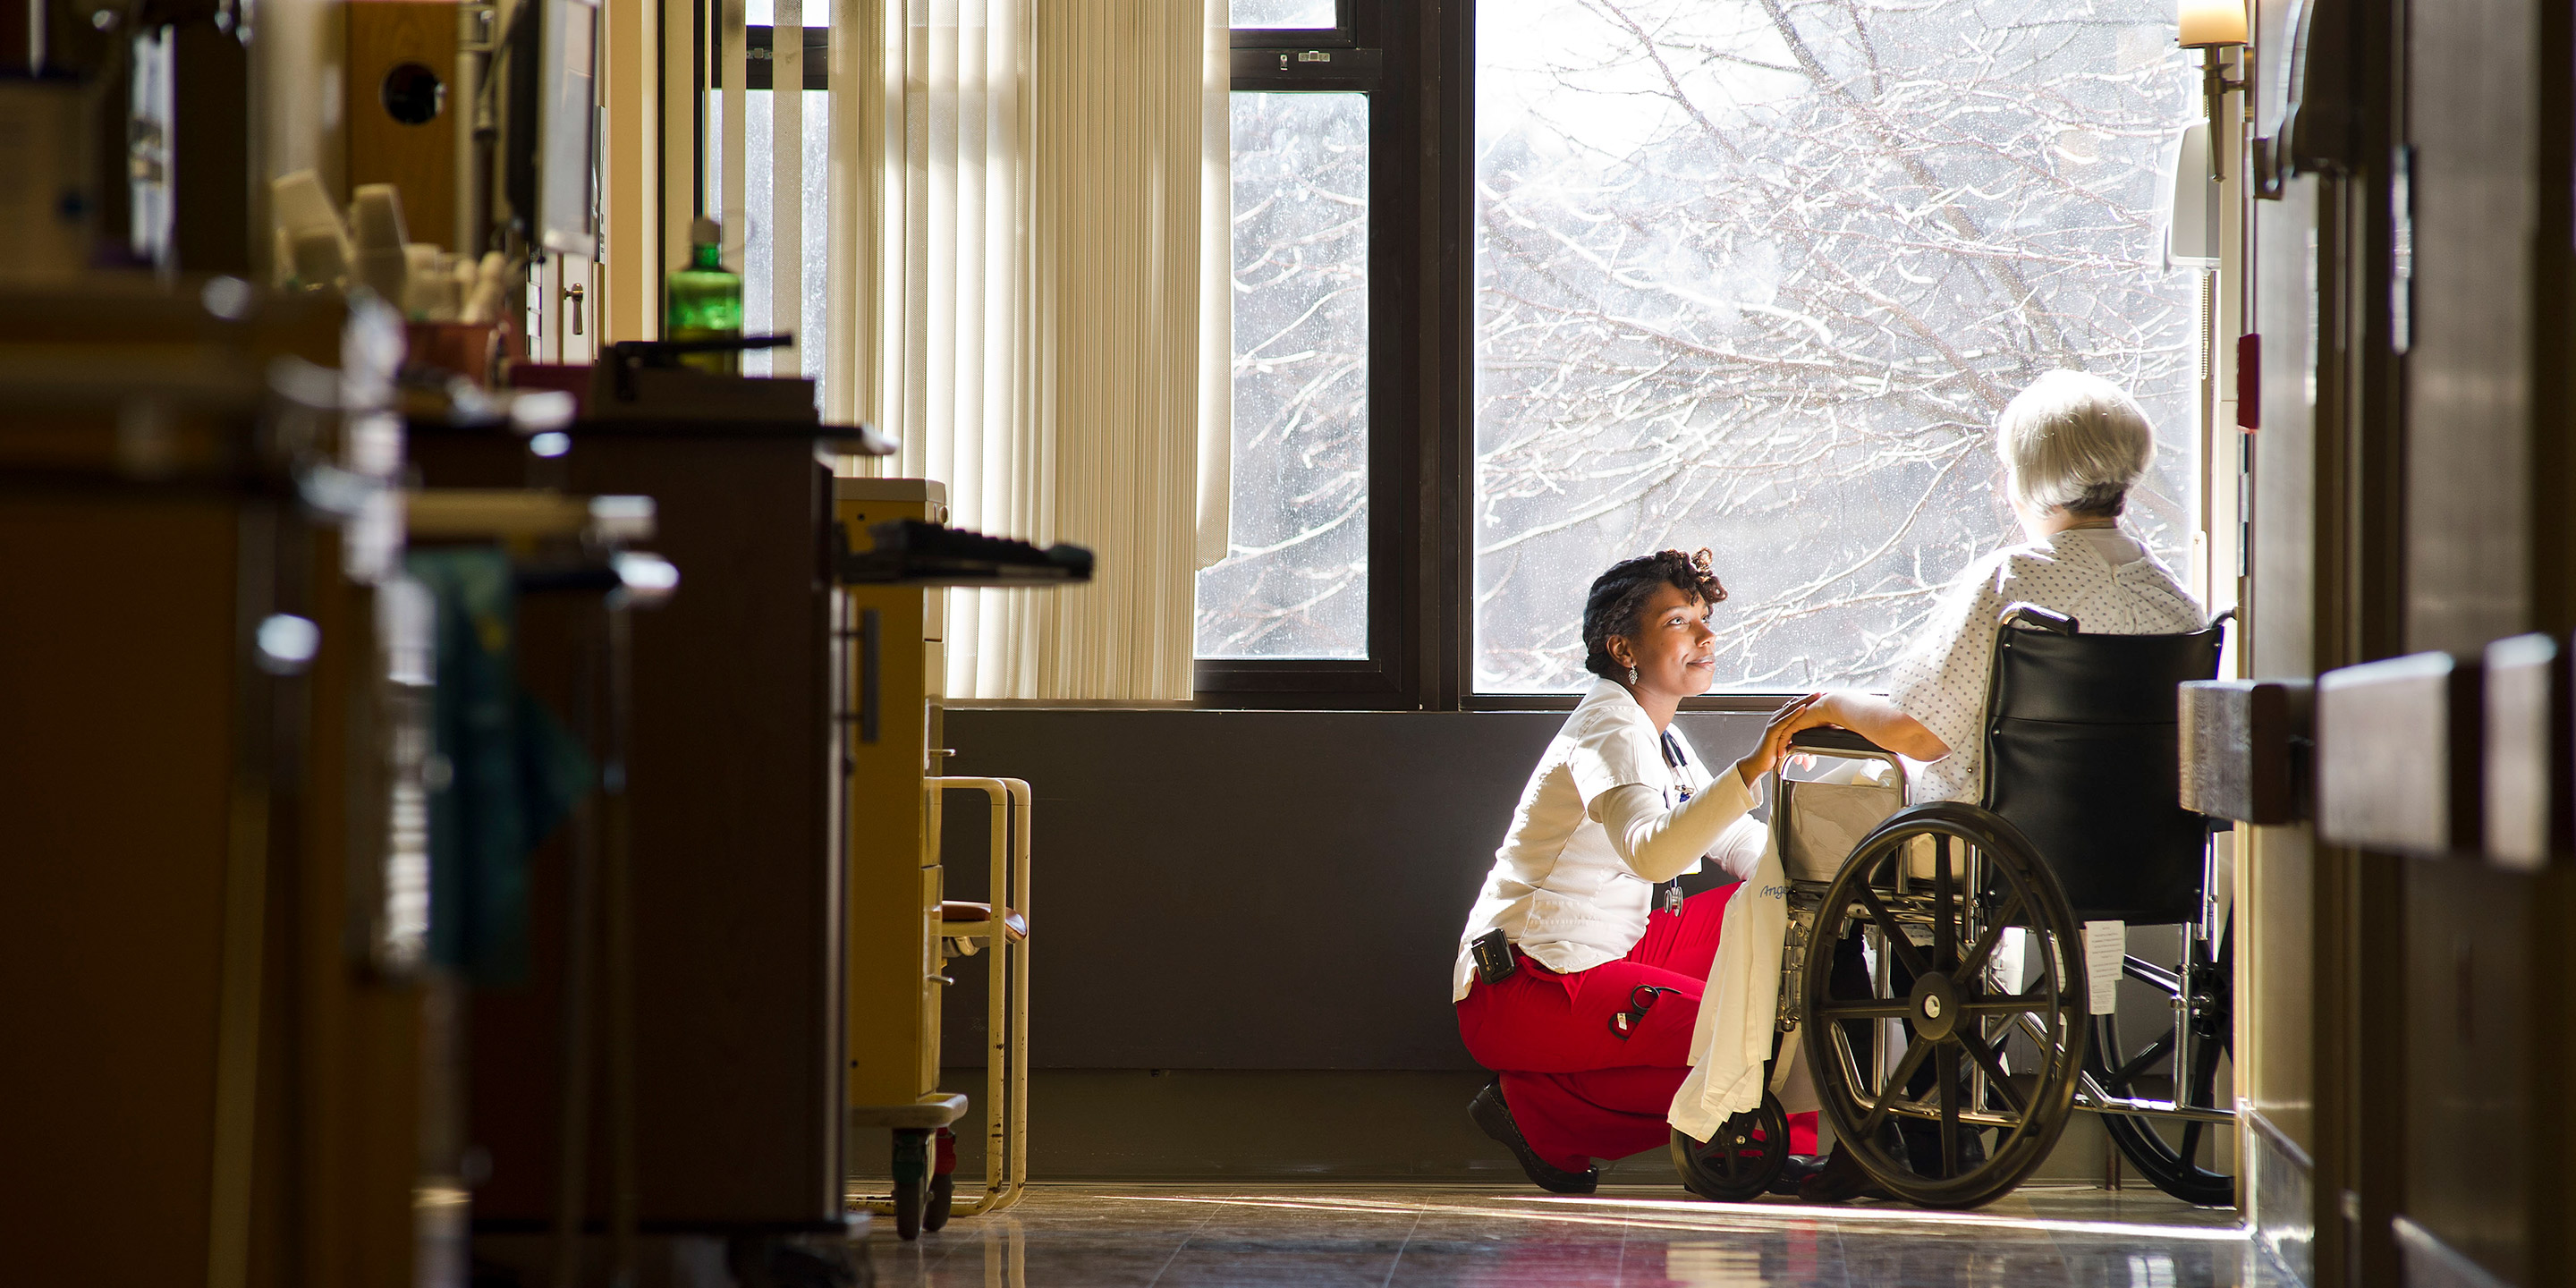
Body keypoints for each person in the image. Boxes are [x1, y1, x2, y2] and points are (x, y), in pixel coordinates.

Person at [1775, 369, 2207, 1200]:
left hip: (1996, 857)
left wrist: (1835, 703)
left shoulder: (2011, 583)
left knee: (1837, 882)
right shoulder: (2177, 605)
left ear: (2034, 475)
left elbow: (1919, 727)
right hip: (2137, 856)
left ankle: (1901, 1132)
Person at [1453, 548, 1818, 1194]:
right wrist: (1754, 767)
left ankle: (1792, 1132)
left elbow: (1737, 840)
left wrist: (1824, 879)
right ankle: (1545, 1118)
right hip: (1524, 982)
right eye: (1680, 621)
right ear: (1623, 649)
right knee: (1737, 1034)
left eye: (1704, 618)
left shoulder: (1660, 732)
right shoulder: (1608, 727)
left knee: (1788, 920)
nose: (1707, 635)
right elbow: (1652, 851)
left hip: (1601, 951)